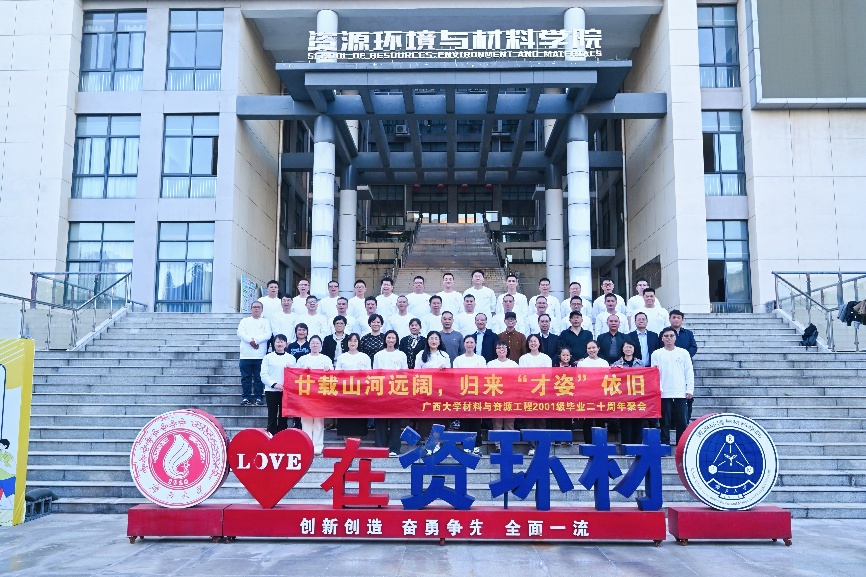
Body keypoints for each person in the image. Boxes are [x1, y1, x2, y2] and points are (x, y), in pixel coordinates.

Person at [652, 327, 695, 445]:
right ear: (662, 338)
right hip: (664, 392)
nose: (669, 338)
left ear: (675, 338)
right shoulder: (657, 354)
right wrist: (658, 389)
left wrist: (690, 389)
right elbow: (654, 373)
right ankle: (664, 444)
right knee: (664, 421)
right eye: (666, 336)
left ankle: (680, 445)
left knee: (682, 421)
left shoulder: (683, 353)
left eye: (671, 336)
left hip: (680, 392)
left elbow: (689, 372)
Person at [372, 330, 409, 455]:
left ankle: (394, 448)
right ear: (385, 339)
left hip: (397, 390)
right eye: (389, 338)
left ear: (396, 340)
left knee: (395, 421)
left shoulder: (401, 354)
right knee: (380, 420)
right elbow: (375, 372)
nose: (391, 340)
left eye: (393, 338)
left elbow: (405, 372)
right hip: (381, 390)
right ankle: (380, 448)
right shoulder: (378, 355)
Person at [295, 335, 331, 455]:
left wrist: (328, 370)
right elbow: (295, 374)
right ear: (309, 345)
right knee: (306, 420)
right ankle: (307, 444)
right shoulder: (302, 359)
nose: (315, 345)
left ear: (321, 345)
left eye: (317, 343)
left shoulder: (326, 359)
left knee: (319, 421)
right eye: (313, 343)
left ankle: (318, 447)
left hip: (320, 394)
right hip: (306, 394)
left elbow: (332, 375)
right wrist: (304, 371)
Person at [519, 334, 552, 455]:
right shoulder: (523, 358)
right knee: (529, 421)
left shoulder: (546, 358)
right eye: (530, 341)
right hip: (528, 392)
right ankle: (531, 446)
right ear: (528, 344)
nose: (533, 343)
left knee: (541, 421)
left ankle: (541, 446)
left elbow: (548, 375)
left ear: (539, 343)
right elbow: (522, 375)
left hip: (542, 393)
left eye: (535, 341)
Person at [414, 331, 451, 440]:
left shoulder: (444, 355)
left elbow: (450, 374)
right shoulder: (421, 354)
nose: (433, 341)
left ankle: (438, 442)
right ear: (427, 340)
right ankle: (427, 441)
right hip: (425, 390)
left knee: (439, 416)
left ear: (439, 341)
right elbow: (416, 372)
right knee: (426, 416)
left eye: (436, 338)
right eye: (431, 338)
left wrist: (445, 369)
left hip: (440, 391)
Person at [453, 334, 485, 454]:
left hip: (477, 393)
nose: (469, 344)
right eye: (467, 342)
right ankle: (466, 444)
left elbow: (483, 376)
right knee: (465, 420)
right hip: (463, 393)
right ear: (464, 344)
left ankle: (476, 445)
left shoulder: (480, 359)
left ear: (475, 344)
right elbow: (456, 376)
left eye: (472, 342)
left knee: (476, 421)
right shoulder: (458, 360)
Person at [335, 333, 371, 437]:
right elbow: (337, 374)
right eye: (350, 340)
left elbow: (370, 375)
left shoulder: (365, 357)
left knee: (358, 420)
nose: (353, 343)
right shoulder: (342, 357)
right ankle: (347, 443)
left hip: (361, 393)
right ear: (347, 343)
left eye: (355, 340)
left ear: (359, 343)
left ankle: (357, 443)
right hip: (345, 393)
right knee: (345, 420)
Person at [236, 301, 272, 406]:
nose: (256, 309)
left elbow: (268, 334)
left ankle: (258, 397)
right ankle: (246, 397)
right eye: (254, 307)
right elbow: (240, 333)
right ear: (251, 309)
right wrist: (250, 341)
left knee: (259, 378)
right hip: (245, 355)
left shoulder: (266, 321)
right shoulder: (244, 321)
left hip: (260, 354)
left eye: (258, 307)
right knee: (245, 378)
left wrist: (256, 341)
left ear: (262, 309)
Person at [260, 333, 296, 435]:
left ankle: (282, 435)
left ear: (286, 344)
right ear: (274, 343)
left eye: (282, 342)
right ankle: (271, 435)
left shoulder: (291, 358)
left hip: (286, 391)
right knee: (272, 414)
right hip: (271, 390)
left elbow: (295, 375)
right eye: (277, 342)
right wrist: (274, 384)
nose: (280, 344)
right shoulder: (268, 357)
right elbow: (263, 374)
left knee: (283, 415)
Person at [612, 339, 645, 445]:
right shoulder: (616, 364)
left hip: (638, 398)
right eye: (626, 347)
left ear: (634, 349)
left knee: (638, 424)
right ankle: (626, 447)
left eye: (630, 347)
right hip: (624, 399)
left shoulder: (640, 364)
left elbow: (646, 379)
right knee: (625, 424)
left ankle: (637, 447)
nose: (628, 349)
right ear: (622, 349)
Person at [575, 340, 609, 443]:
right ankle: (588, 444)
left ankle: (600, 443)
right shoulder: (582, 363)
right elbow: (579, 380)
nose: (591, 350)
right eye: (589, 348)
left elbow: (607, 380)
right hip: (587, 395)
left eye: (593, 347)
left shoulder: (604, 363)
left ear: (598, 348)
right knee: (588, 420)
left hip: (600, 395)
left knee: (600, 420)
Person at [669, 309, 698, 420]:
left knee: (687, 396)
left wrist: (684, 357)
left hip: (684, 366)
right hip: (670, 367)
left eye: (678, 318)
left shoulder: (688, 333)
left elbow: (693, 347)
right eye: (674, 317)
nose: (676, 320)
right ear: (669, 319)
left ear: (682, 320)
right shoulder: (665, 333)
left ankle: (686, 419)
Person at [487, 341, 518, 431]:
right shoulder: (490, 364)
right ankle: (497, 440)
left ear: (507, 350)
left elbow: (517, 381)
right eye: (498, 348)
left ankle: (509, 440)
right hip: (496, 397)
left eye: (503, 347)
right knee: (497, 424)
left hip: (510, 397)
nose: (501, 350)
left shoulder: (514, 364)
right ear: (495, 350)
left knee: (509, 424)